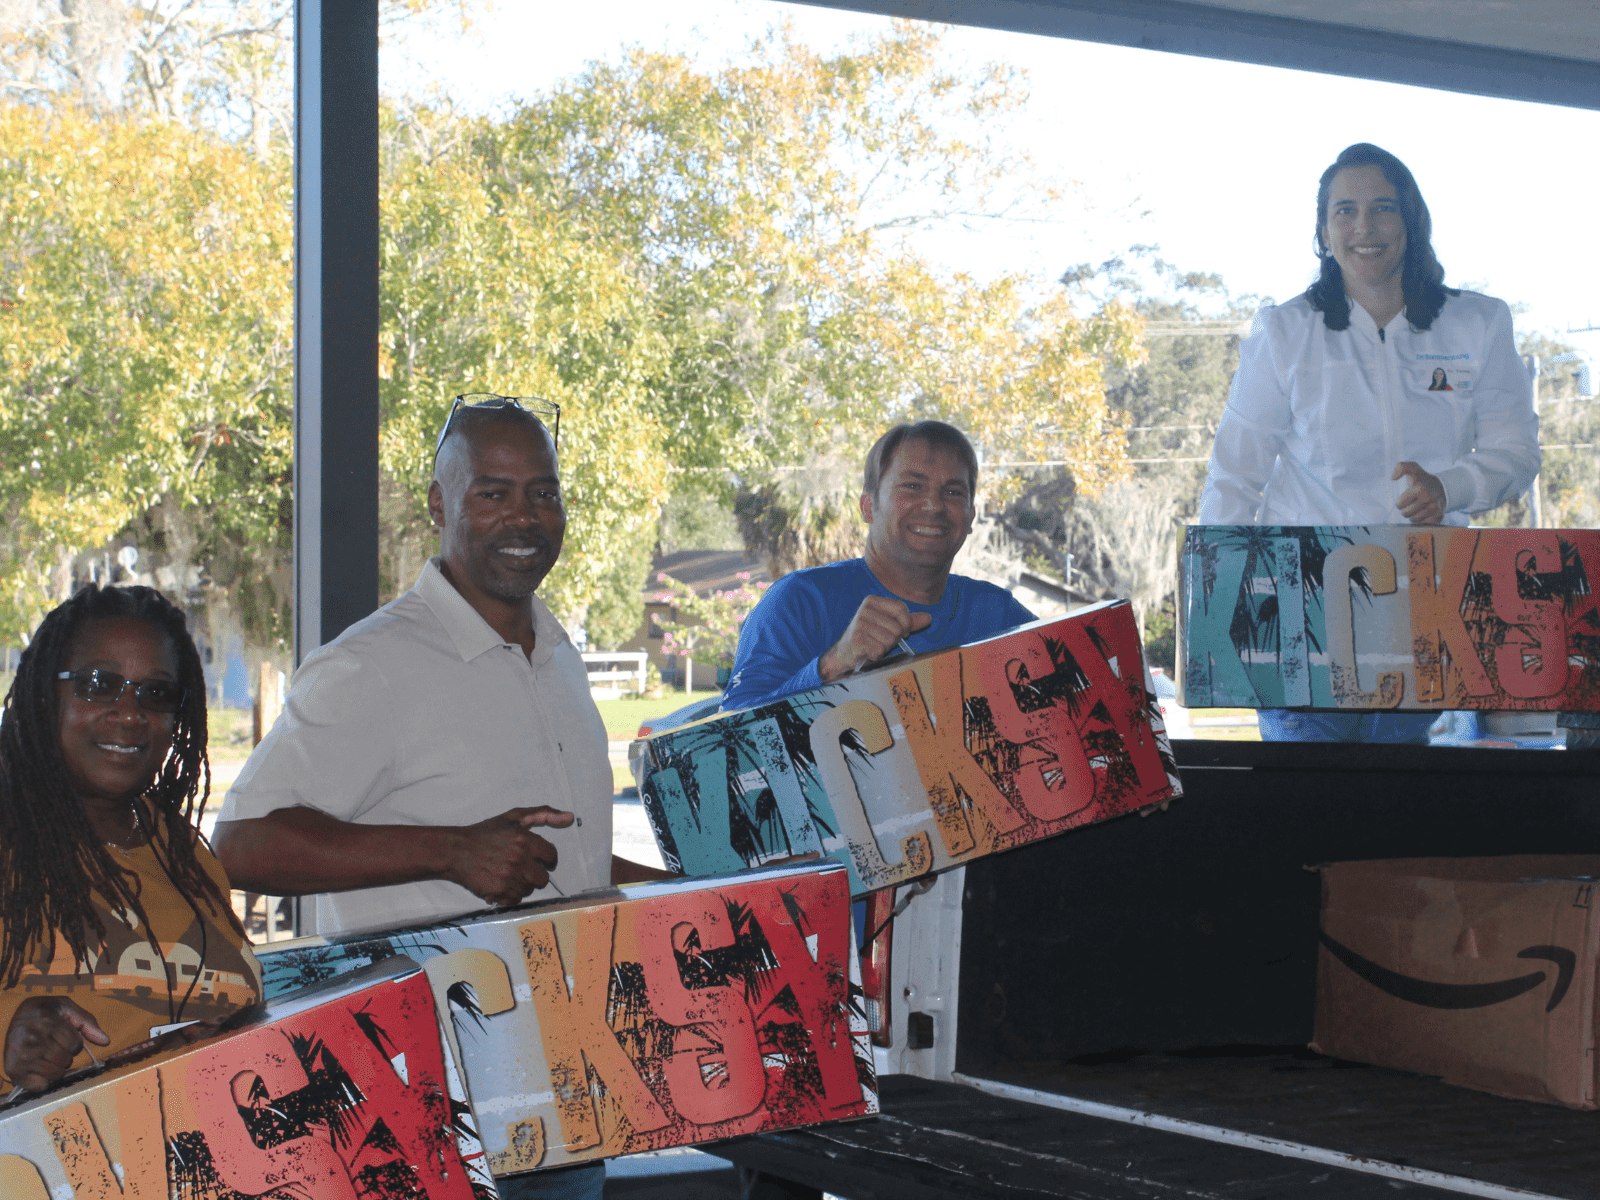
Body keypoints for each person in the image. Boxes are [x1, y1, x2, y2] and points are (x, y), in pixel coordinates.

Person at [215, 395, 666, 1200]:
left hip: (565, 1091)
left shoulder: (557, 653)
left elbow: (558, 858)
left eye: (543, 491)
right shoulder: (373, 665)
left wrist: (673, 891)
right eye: (492, 492)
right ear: (438, 504)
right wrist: (454, 852)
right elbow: (242, 844)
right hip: (425, 1118)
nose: (523, 516)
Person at [1199, 142, 1540, 743]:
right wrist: (1213, 604)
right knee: (1309, 819)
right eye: (1344, 211)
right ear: (1324, 232)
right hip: (1301, 611)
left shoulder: (1479, 323)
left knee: (1404, 818)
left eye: (1383, 208)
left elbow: (1517, 452)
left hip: (1425, 610)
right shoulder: (1285, 331)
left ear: (1411, 220)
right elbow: (1234, 475)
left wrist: (1450, 487)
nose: (1364, 227)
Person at [1, 585, 260, 1096]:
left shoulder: (184, 855)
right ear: (42, 691)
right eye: (99, 684)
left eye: (156, 692)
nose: (129, 713)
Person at [722, 420, 1036, 712]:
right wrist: (832, 665)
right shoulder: (800, 600)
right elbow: (725, 743)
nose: (934, 505)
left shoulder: (999, 615)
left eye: (954, 492)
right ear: (868, 507)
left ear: (970, 517)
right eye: (912, 486)